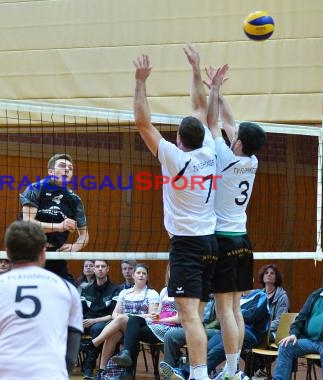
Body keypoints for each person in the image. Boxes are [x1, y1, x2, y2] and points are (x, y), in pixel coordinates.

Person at [134, 50, 218, 380]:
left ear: (179, 140)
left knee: (190, 318)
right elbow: (200, 109)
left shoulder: (173, 157)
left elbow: (143, 122)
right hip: (210, 244)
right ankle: (196, 371)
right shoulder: (209, 151)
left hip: (187, 246)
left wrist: (140, 82)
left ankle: (199, 375)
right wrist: (196, 70)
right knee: (194, 314)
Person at [206, 59, 266, 380]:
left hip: (223, 240)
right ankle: (235, 371)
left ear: (239, 142)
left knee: (224, 310)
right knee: (236, 309)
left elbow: (214, 121)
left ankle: (230, 373)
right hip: (243, 240)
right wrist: (218, 90)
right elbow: (230, 122)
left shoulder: (226, 157)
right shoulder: (252, 161)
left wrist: (214, 92)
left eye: (237, 135)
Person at [0, 220, 83, 380]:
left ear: (7, 253)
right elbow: (72, 344)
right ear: (43, 252)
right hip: (50, 374)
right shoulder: (67, 289)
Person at [20, 153, 89, 283]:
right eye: (62, 166)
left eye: (70, 168)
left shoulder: (75, 200)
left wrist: (75, 247)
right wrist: (60, 226)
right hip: (29, 252)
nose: (67, 169)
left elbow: (84, 235)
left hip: (55, 255)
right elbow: (28, 224)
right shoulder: (35, 189)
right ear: (51, 171)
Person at [88, 263, 160, 379]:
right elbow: (114, 314)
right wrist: (122, 318)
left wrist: (128, 316)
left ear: (147, 277)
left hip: (142, 328)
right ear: (133, 275)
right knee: (114, 331)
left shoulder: (152, 294)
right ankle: (102, 372)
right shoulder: (124, 293)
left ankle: (94, 343)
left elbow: (152, 317)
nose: (141, 275)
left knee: (122, 318)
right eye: (138, 273)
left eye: (144, 273)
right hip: (123, 326)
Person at [112, 264, 182, 373]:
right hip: (159, 324)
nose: (172, 273)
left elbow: (180, 318)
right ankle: (126, 355)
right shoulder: (164, 290)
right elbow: (159, 312)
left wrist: (159, 320)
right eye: (170, 270)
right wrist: (155, 316)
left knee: (133, 333)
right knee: (134, 321)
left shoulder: (184, 291)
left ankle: (128, 370)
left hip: (172, 328)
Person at [206, 289, 269, 375]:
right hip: (229, 329)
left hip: (250, 333)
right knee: (207, 348)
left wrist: (233, 314)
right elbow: (223, 316)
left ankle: (194, 375)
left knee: (216, 351)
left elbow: (252, 316)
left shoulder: (261, 295)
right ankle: (189, 373)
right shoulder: (235, 298)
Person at [81, 259, 121, 379]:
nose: (100, 269)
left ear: (107, 269)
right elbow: (81, 311)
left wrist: (94, 321)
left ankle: (88, 367)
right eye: (97, 266)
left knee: (98, 329)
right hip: (86, 322)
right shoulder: (86, 290)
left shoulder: (115, 289)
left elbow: (113, 314)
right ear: (93, 269)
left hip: (103, 322)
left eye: (103, 266)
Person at [253, 264, 289, 378]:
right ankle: (259, 369)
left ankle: (254, 372)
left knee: (255, 338)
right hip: (260, 330)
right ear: (262, 277)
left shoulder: (282, 296)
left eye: (272, 273)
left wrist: (264, 327)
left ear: (276, 277)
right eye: (266, 273)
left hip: (275, 332)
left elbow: (280, 320)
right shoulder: (258, 294)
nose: (268, 275)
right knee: (245, 340)